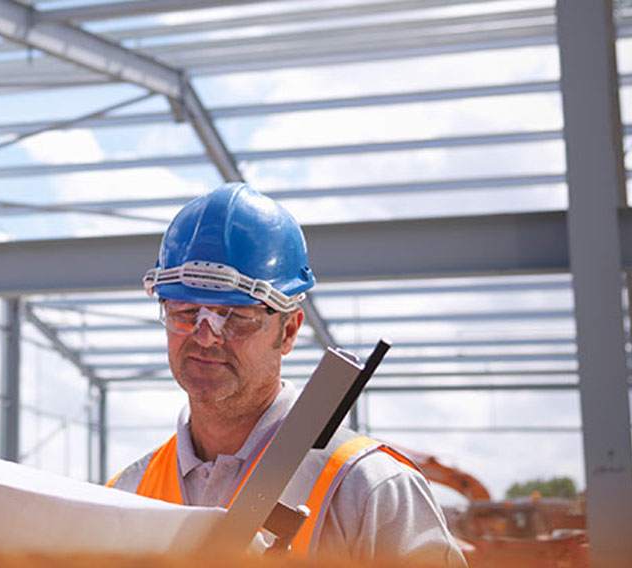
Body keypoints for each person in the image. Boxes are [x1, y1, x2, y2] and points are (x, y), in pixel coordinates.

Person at [106, 184, 466, 565]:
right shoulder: (126, 493)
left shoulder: (370, 491)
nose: (206, 335)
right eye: (184, 312)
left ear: (289, 331)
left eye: (236, 317)